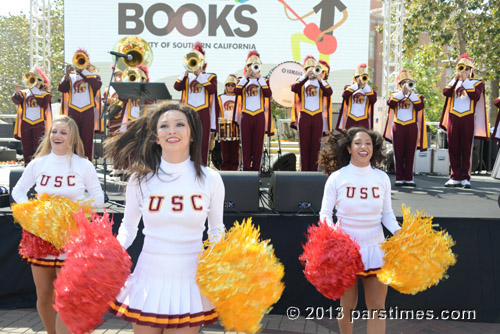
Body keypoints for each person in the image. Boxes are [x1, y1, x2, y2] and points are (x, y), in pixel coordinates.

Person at [105, 102, 224, 333]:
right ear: (156, 137)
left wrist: (220, 262)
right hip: (150, 276)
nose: (172, 130)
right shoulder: (140, 180)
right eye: (164, 126)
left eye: (180, 124)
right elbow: (128, 227)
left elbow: (216, 230)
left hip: (191, 278)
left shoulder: (211, 179)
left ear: (191, 135)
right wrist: (111, 251)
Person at [11, 115, 104, 334]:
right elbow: (18, 191)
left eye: (63, 132)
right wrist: (35, 212)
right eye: (54, 132)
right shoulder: (38, 163)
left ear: (72, 137)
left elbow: (98, 198)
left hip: (71, 235)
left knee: (67, 294)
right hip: (41, 235)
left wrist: (68, 210)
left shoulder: (83, 165)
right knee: (43, 294)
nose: (57, 136)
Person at [318, 127, 401, 334]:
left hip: (376, 249)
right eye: (358, 143)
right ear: (348, 148)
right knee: (348, 307)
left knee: (377, 308)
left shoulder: (382, 178)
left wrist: (399, 231)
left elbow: (387, 214)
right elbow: (325, 214)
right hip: (346, 250)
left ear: (375, 148)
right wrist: (333, 236)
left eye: (368, 143)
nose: (363, 147)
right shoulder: (337, 178)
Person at [440, 53, 490, 188]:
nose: (464, 71)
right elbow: (445, 92)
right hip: (453, 117)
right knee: (453, 147)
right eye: (462, 68)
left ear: (471, 70)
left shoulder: (477, 83)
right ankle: (454, 176)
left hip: (468, 118)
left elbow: (475, 96)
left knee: (466, 148)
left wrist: (465, 80)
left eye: (467, 68)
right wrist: (456, 79)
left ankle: (465, 177)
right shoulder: (454, 82)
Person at [174, 42, 217, 166]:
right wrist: (186, 73)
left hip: (203, 111)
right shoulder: (185, 77)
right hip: (187, 112)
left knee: (202, 142)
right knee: (186, 141)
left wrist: (199, 74)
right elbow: (177, 87)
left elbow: (212, 90)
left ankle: (202, 168)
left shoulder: (210, 76)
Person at [383, 70, 427, 187]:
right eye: (404, 82)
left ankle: (409, 177)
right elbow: (390, 104)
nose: (406, 84)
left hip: (411, 126)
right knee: (398, 152)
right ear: (399, 84)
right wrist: (402, 93)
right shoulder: (395, 96)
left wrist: (410, 94)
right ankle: (399, 177)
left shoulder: (417, 96)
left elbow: (419, 106)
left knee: (410, 152)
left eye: (409, 82)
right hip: (398, 126)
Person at [232, 50, 274, 171]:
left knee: (257, 146)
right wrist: (246, 77)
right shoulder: (242, 80)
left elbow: (268, 93)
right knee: (246, 146)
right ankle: (246, 171)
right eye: (250, 66)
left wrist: (259, 78)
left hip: (259, 115)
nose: (253, 68)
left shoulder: (264, 80)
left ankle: (256, 171)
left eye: (255, 66)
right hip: (246, 115)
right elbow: (237, 91)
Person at [58, 49, 103, 160]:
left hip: (87, 111)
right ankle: (71, 161)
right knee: (72, 138)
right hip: (73, 110)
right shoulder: (70, 77)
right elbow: (62, 89)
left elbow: (96, 86)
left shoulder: (92, 76)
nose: (80, 64)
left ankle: (86, 162)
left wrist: (84, 72)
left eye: (83, 60)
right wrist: (67, 75)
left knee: (87, 139)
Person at [291, 56, 333, 171]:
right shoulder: (302, 81)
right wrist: (305, 76)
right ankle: (304, 172)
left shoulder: (320, 82)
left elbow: (329, 92)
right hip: (304, 115)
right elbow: (294, 88)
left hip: (317, 116)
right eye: (309, 69)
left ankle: (313, 173)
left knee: (315, 147)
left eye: (313, 69)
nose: (312, 71)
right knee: (304, 147)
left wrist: (319, 78)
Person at [283, 0, 348, 63]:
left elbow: (345, 16)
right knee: (295, 37)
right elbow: (312, 12)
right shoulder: (324, 1)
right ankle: (296, 63)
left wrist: (324, 32)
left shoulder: (335, 1)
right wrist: (295, 18)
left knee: (324, 66)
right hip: (317, 36)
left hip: (327, 41)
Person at [12, 68, 53, 165]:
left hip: (39, 123)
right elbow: (17, 101)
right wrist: (17, 92)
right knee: (26, 149)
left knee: (38, 148)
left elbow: (43, 104)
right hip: (26, 123)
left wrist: (34, 90)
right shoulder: (24, 92)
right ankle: (27, 168)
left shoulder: (45, 94)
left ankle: (38, 169)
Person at [336, 64, 376, 131]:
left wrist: (364, 87)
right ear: (354, 78)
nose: (360, 79)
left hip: (363, 119)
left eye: (363, 77)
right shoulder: (350, 88)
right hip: (351, 118)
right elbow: (344, 95)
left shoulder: (369, 90)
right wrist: (356, 85)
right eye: (358, 77)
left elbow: (373, 99)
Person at [119, 64, 155, 132]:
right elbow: (121, 97)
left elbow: (151, 101)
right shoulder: (130, 88)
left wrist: (141, 91)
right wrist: (125, 83)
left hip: (145, 118)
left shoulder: (149, 89)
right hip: (129, 118)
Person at [216, 74, 240, 171]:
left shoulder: (239, 97)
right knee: (225, 150)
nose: (230, 87)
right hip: (223, 125)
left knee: (235, 149)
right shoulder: (220, 97)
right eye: (228, 85)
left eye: (233, 85)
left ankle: (234, 168)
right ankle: (225, 169)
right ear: (225, 86)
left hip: (235, 125)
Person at [102, 65, 124, 137]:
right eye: (117, 75)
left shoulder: (127, 88)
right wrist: (107, 102)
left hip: (123, 119)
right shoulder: (108, 89)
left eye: (120, 75)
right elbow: (103, 102)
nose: (118, 77)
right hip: (112, 119)